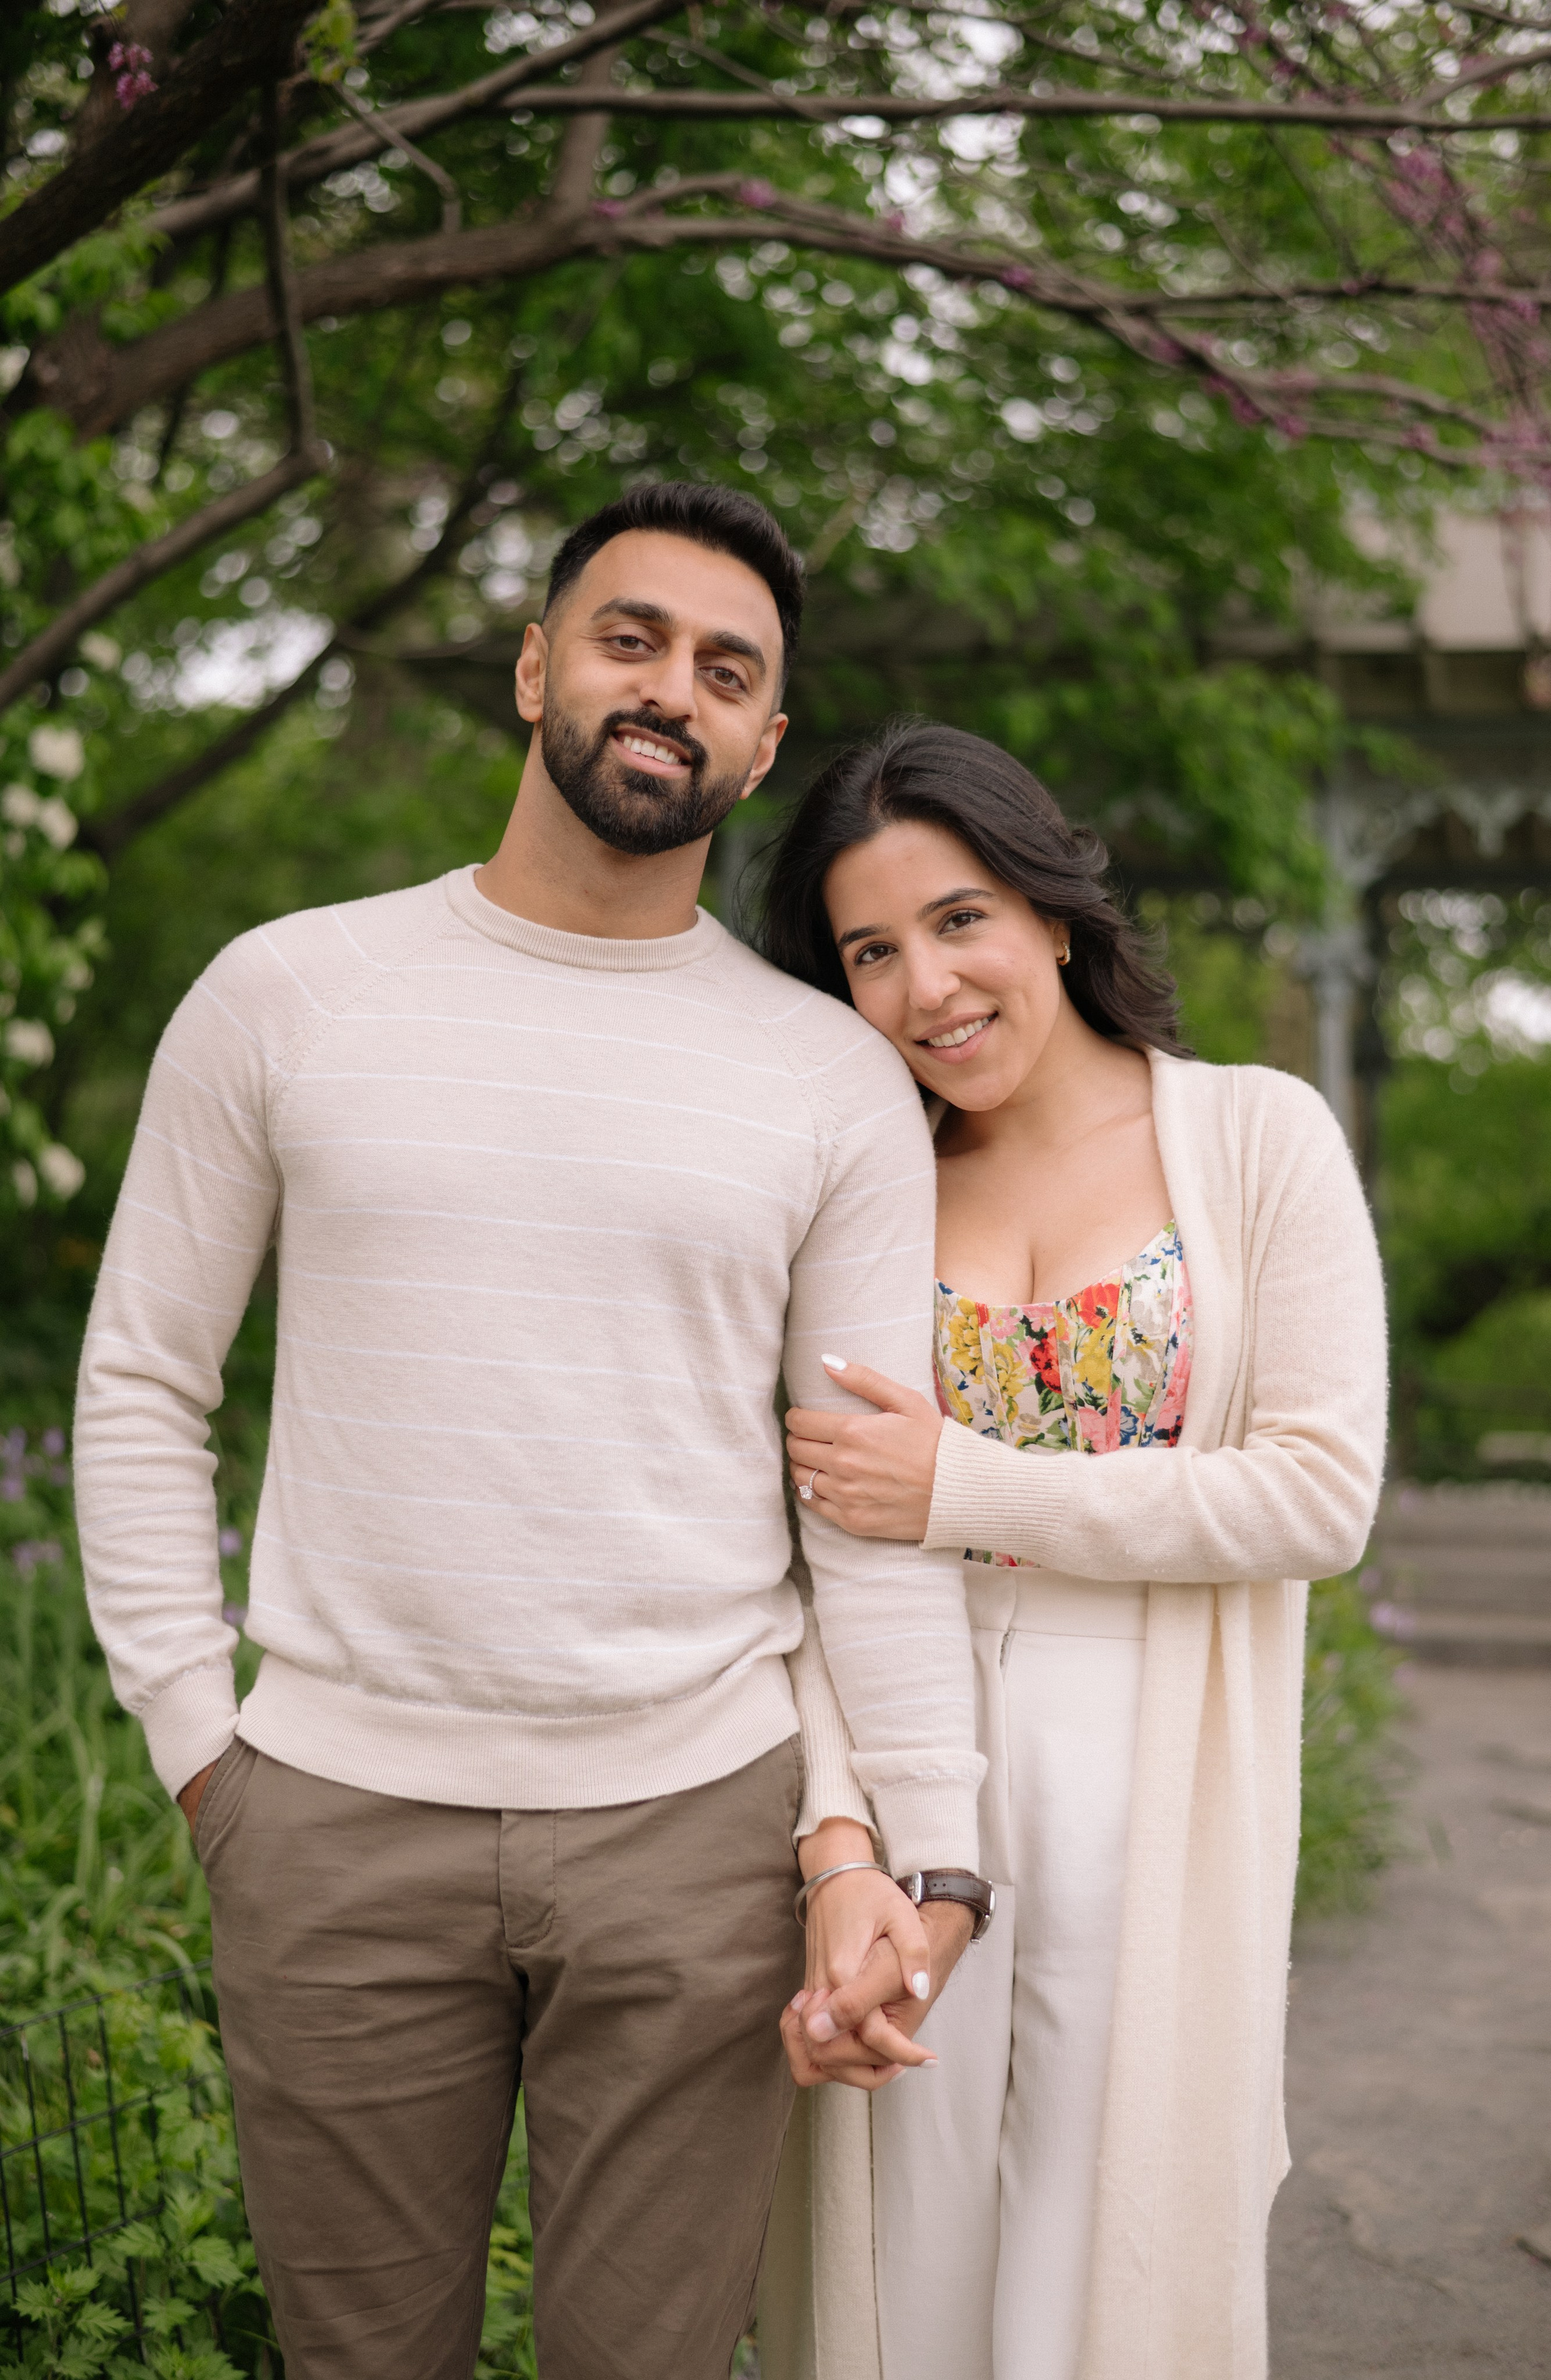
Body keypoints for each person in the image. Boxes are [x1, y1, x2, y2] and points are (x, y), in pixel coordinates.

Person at [73, 492, 996, 2380]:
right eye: (628, 638)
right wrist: (196, 1747)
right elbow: (146, 1376)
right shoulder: (286, 993)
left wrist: (932, 1850)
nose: (670, 690)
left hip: (696, 1830)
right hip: (328, 1822)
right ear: (533, 667)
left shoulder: (829, 1077)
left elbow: (863, 1499)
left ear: (762, 743)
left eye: (724, 671)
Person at [754, 720, 1388, 2380]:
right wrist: (839, 1832)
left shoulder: (1256, 1139)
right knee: (904, 2251)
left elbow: (1318, 1496)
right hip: (908, 1742)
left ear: (1050, 907)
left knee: (1105, 2260)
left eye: (959, 918)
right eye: (870, 951)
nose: (928, 987)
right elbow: (813, 1551)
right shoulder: (866, 1179)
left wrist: (970, 1488)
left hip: (1156, 1753)